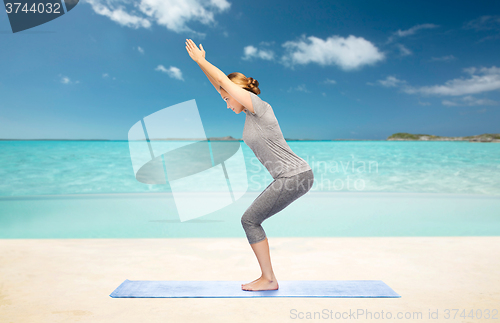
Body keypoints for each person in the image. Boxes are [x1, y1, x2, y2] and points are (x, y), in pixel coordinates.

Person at [185, 39, 314, 291]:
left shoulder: (260, 109)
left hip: (294, 176)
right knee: (251, 220)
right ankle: (268, 278)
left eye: (227, 99)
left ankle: (269, 279)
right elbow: (220, 85)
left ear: (237, 93)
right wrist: (199, 65)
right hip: (290, 177)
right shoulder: (248, 114)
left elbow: (224, 83)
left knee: (250, 220)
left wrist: (202, 60)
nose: (226, 103)